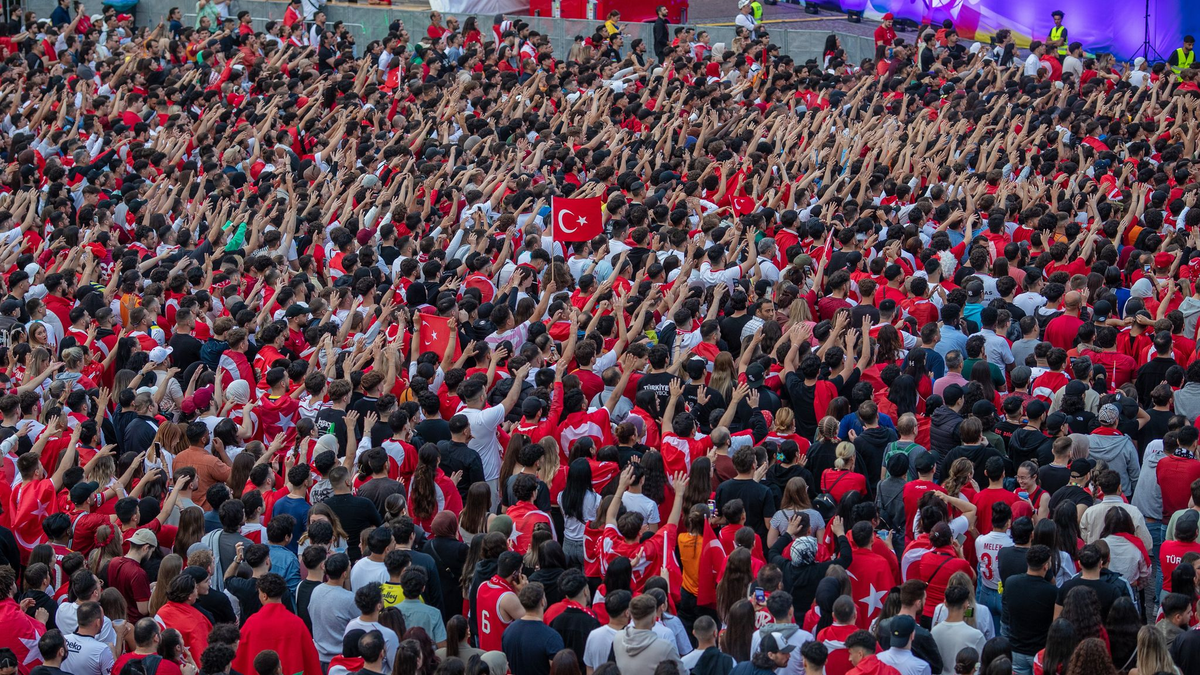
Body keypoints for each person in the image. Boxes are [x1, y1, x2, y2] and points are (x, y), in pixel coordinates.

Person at [1002, 546, 1058, 675]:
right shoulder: (1051, 592)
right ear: (1046, 566)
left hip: (1017, 649)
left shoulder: (1011, 583)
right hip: (1039, 652)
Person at [612, 594, 684, 675]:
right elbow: (682, 672)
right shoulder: (665, 647)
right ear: (654, 620)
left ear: (631, 616)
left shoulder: (617, 637)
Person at [501, 582, 563, 675]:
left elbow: (508, 662)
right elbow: (559, 670)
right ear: (542, 601)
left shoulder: (508, 631)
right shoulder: (551, 636)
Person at [930, 585, 984, 675]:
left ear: (945, 603)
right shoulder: (976, 635)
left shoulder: (934, 632)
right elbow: (982, 665)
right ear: (966, 605)